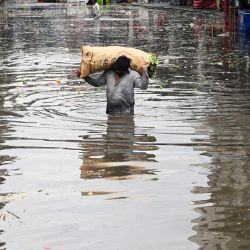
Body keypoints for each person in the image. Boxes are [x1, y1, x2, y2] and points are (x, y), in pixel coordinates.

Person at [83, 55, 149, 114]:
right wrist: (85, 76)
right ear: (115, 66)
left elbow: (143, 86)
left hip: (127, 113)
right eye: (118, 69)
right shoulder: (108, 73)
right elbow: (96, 83)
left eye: (122, 71)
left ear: (127, 69)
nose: (119, 72)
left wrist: (145, 71)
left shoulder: (133, 75)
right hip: (110, 111)